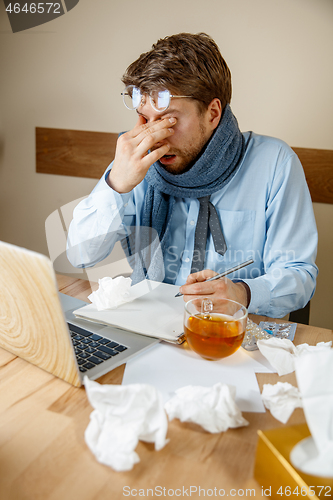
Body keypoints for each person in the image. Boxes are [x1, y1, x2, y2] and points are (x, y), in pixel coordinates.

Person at [67, 32, 318, 318]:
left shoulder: (275, 163)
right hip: (150, 329)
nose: (155, 137)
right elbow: (81, 255)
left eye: (169, 120)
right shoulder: (137, 164)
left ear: (212, 114)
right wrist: (116, 185)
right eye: (146, 119)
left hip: (232, 338)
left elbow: (300, 276)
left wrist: (243, 293)